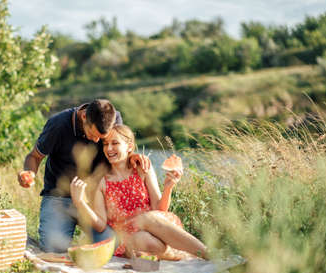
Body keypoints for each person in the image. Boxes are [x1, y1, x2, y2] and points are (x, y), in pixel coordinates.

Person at [18, 99, 149, 253]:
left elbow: (122, 147)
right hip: (59, 198)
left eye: (101, 138)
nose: (96, 141)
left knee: (114, 247)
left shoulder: (113, 120)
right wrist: (29, 173)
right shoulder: (58, 125)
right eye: (93, 135)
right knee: (53, 249)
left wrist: (131, 157)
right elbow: (33, 157)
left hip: (96, 200)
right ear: (84, 117)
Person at [70, 124, 208, 259]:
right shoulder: (103, 183)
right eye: (106, 144)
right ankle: (174, 253)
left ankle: (207, 253)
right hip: (133, 238)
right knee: (143, 239)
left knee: (146, 218)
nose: (109, 148)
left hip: (157, 225)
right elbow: (100, 226)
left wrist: (168, 187)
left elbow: (159, 209)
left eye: (115, 143)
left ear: (129, 146)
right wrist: (80, 202)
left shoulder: (142, 170)